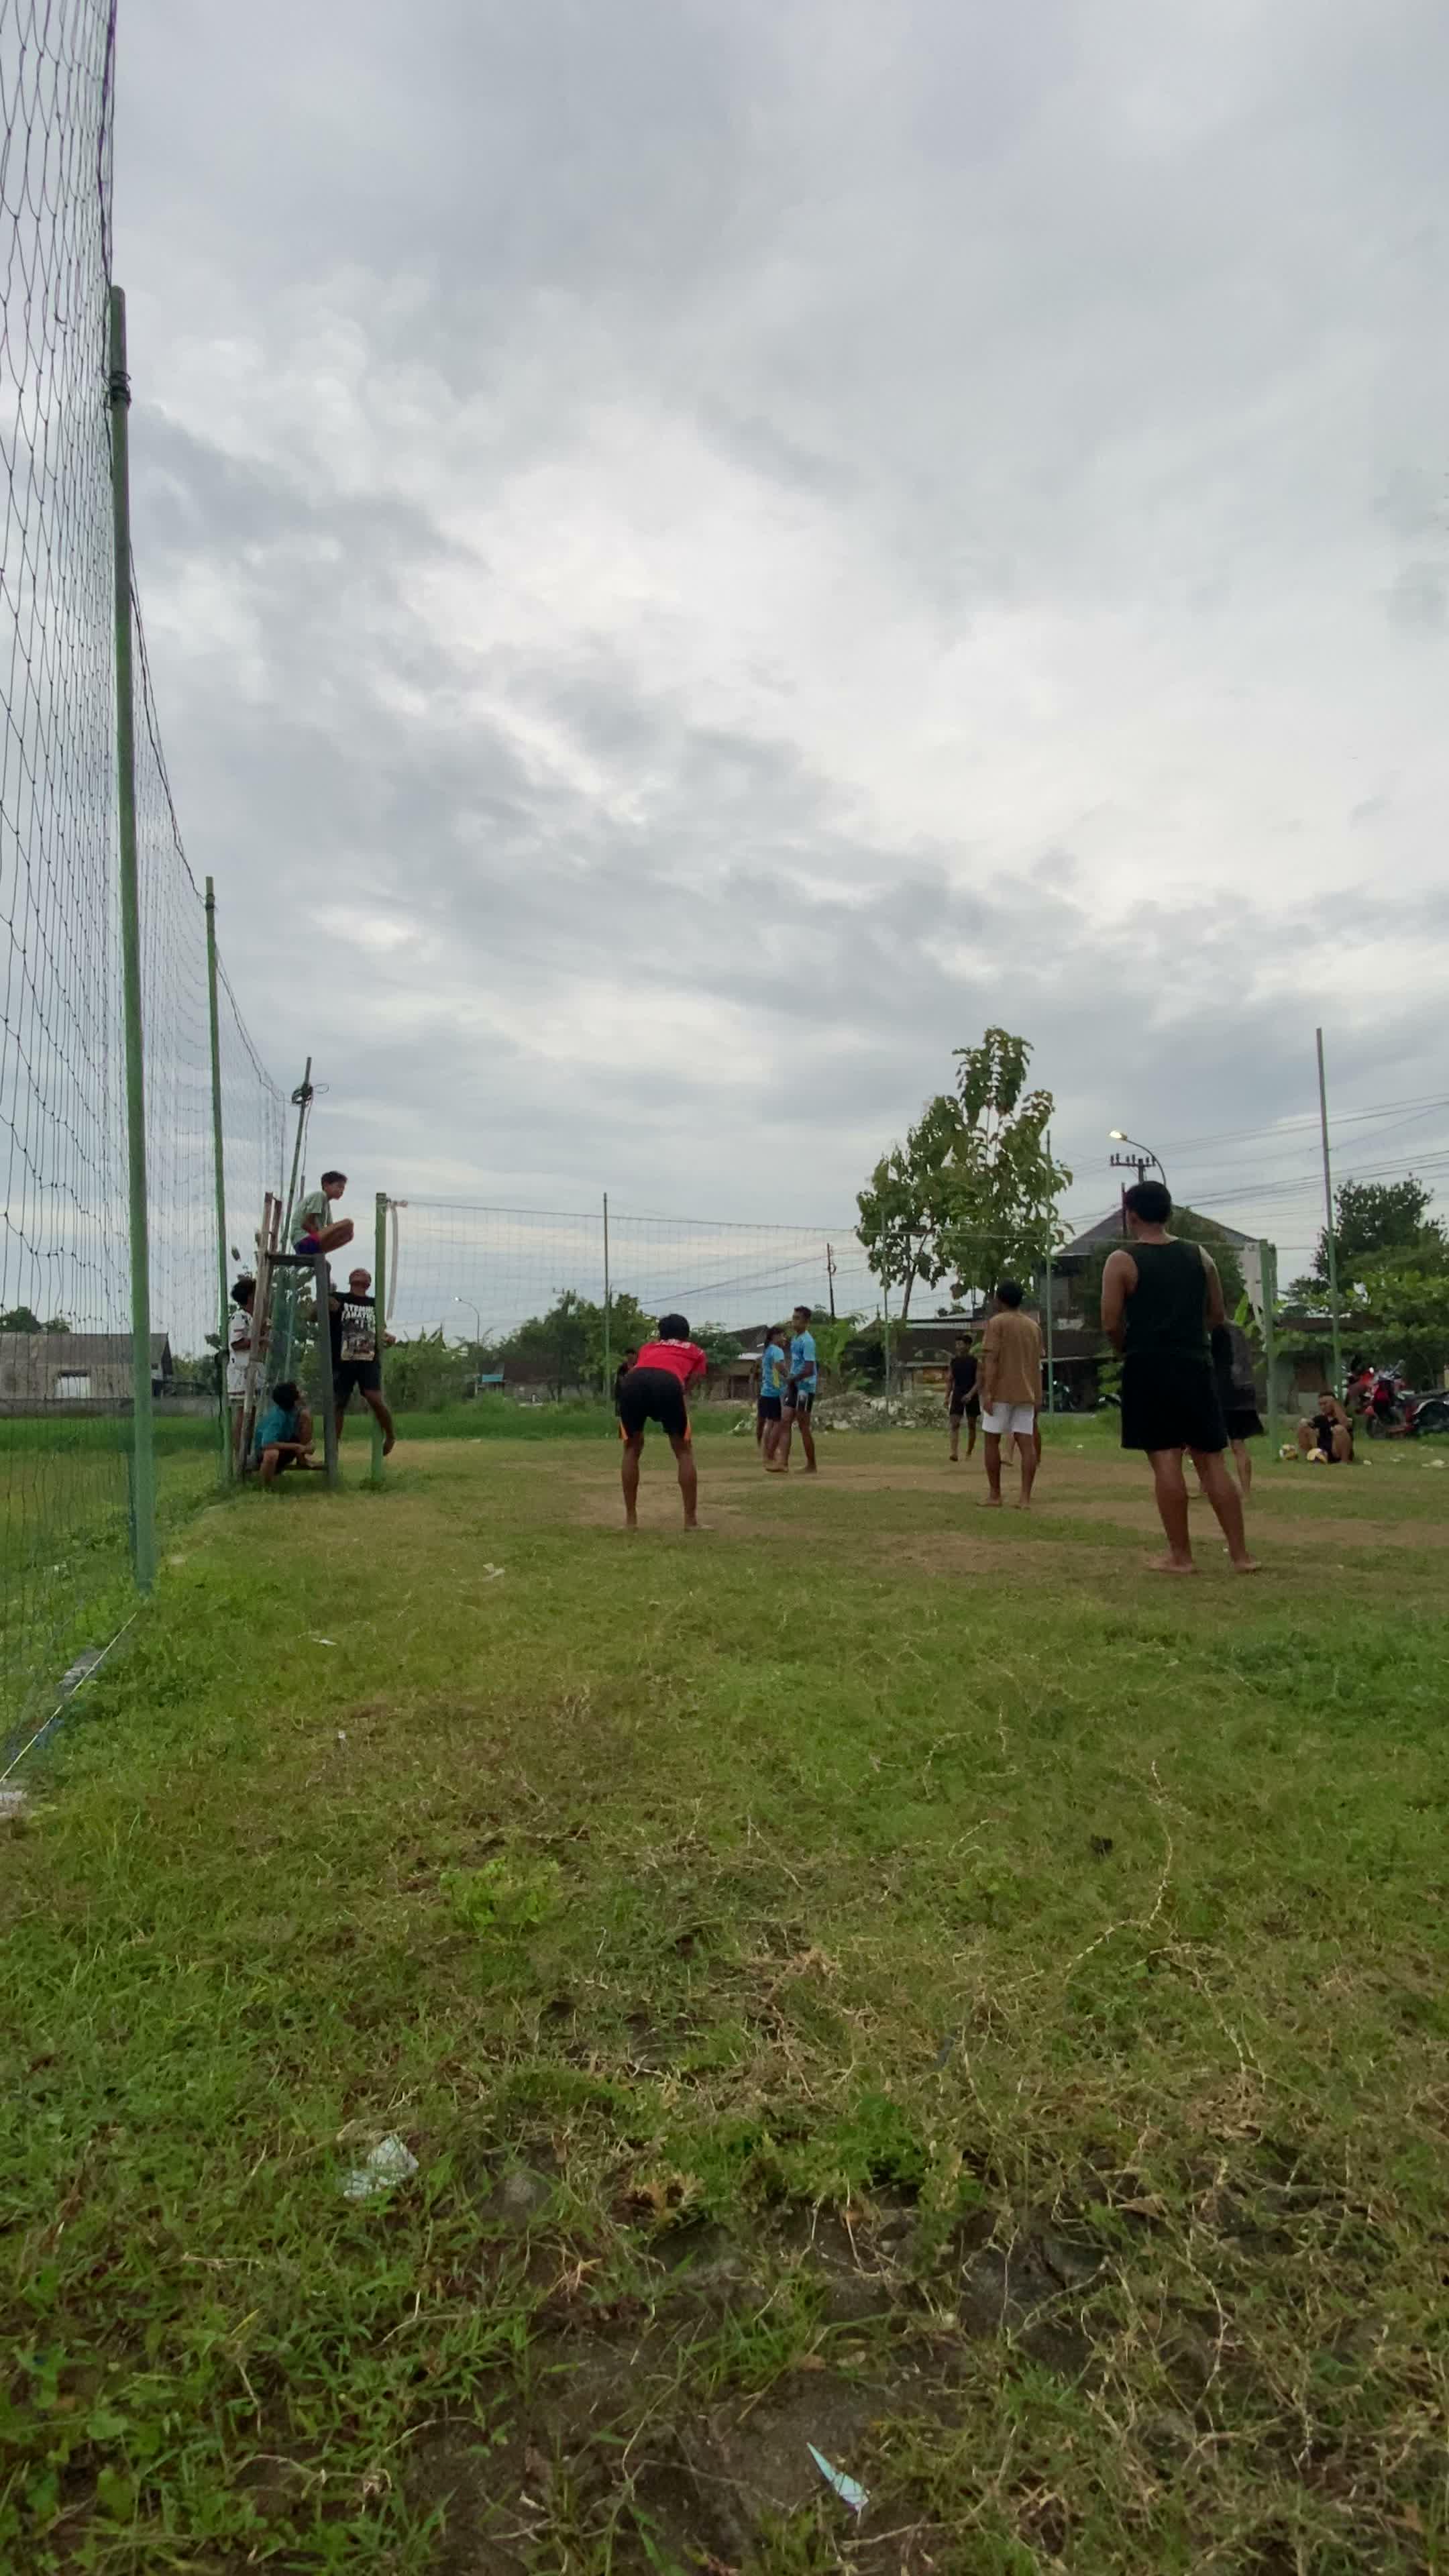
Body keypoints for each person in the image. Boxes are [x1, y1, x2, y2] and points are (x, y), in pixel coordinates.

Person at [1100, 1182, 1256, 1574]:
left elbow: (1110, 1321)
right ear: (1169, 1212)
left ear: (1130, 1214)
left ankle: (1181, 1556)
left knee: (1166, 1459)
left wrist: (1127, 1347)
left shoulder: (1122, 1261)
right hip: (1195, 1364)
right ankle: (1241, 1555)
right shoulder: (1200, 1255)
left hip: (1149, 1366)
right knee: (1212, 1460)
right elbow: (1217, 1315)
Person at [617, 1313, 708, 1529]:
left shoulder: (648, 1348)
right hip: (668, 1382)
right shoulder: (696, 1351)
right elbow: (693, 1381)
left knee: (631, 1449)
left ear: (661, 1334)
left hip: (633, 1382)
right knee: (683, 1450)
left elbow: (644, 1368)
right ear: (686, 1334)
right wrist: (679, 1393)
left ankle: (631, 1520)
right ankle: (690, 1521)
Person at [977, 1282, 1041, 1509]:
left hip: (1002, 1392)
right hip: (1027, 1392)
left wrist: (988, 1392)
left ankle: (996, 1495)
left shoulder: (996, 1323)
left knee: (991, 1440)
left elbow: (991, 1360)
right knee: (1027, 1444)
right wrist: (1038, 1395)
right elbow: (1036, 1364)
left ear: (999, 1299)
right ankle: (1025, 1498)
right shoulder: (1033, 1327)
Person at [329, 1267, 396, 1454]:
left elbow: (379, 1330)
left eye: (364, 1273)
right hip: (343, 1359)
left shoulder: (375, 1304)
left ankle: (390, 1434)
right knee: (338, 1404)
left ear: (369, 1282)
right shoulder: (338, 1299)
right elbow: (313, 1315)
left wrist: (388, 1338)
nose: (359, 1273)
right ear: (350, 1280)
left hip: (367, 1358)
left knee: (374, 1398)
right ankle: (333, 1450)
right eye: (356, 1272)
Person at [1210, 1321, 1265, 1497]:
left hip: (1222, 1392)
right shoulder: (1238, 1331)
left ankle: (1210, 1487)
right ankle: (1246, 1492)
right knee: (1239, 1444)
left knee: (1210, 1446)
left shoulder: (1213, 1330)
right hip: (1244, 1392)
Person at [776, 1305, 818, 1474]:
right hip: (795, 1386)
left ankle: (812, 1465)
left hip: (805, 1388)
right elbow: (796, 1363)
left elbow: (809, 1369)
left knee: (803, 1425)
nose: (794, 1322)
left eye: (798, 1319)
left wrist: (792, 1379)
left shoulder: (808, 1341)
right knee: (785, 1420)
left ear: (806, 1322)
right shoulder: (795, 1339)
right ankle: (783, 1463)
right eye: (793, 1318)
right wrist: (790, 1381)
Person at [226, 1275, 263, 1467]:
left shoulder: (253, 1318)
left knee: (252, 1412)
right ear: (250, 1297)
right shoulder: (239, 1317)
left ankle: (247, 1454)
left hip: (252, 1370)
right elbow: (237, 1343)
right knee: (243, 1412)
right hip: (241, 1372)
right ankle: (240, 1456)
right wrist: (259, 1340)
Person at [253, 1380, 315, 1486]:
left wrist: (306, 1447)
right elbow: (267, 1444)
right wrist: (296, 1447)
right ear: (293, 1399)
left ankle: (302, 1459)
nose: (302, 1393)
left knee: (306, 1416)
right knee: (272, 1453)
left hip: (284, 1444)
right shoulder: (277, 1416)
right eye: (298, 1391)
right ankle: (265, 1486)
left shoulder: (294, 1411)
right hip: (266, 1451)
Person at [294, 1169, 354, 1258]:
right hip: (303, 1242)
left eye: (343, 1189)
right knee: (349, 1223)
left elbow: (332, 1228)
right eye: (339, 1186)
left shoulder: (327, 1204)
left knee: (349, 1235)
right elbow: (306, 1224)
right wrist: (321, 1235)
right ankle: (320, 1248)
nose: (341, 1191)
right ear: (326, 1185)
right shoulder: (320, 1195)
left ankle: (321, 1252)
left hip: (312, 1244)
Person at [946, 1332, 980, 1463]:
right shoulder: (954, 1362)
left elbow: (979, 1382)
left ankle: (969, 1452)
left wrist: (970, 1394)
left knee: (972, 1425)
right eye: (957, 1344)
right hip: (958, 1393)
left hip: (972, 1393)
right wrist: (947, 1396)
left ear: (968, 1345)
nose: (958, 1346)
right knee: (954, 1424)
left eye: (960, 1344)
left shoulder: (975, 1362)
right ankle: (954, 1453)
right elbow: (950, 1380)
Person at [757, 1324, 788, 1464]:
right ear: (775, 1337)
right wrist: (790, 1377)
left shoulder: (768, 1350)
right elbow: (780, 1366)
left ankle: (766, 1452)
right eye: (782, 1335)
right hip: (775, 1392)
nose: (784, 1338)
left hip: (766, 1392)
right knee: (778, 1423)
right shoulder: (777, 1350)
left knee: (769, 1423)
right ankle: (771, 1453)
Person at [1298, 1393, 1353, 1463]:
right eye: (1320, 1404)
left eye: (1325, 1404)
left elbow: (1346, 1425)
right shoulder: (1321, 1418)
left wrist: (1334, 1404)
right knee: (1303, 1427)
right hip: (1324, 1452)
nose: (1322, 1407)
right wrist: (1305, 1423)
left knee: (1339, 1429)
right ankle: (1309, 1458)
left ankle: (1345, 1461)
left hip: (1337, 1452)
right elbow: (1309, 1425)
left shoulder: (1344, 1417)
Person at [612, 1348, 639, 1418]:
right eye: (629, 1358)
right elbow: (621, 1381)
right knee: (620, 1413)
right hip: (622, 1393)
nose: (631, 1359)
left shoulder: (638, 1367)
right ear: (627, 1357)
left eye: (633, 1358)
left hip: (634, 1394)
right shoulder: (622, 1367)